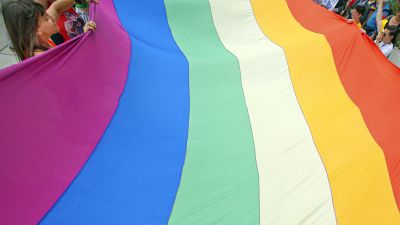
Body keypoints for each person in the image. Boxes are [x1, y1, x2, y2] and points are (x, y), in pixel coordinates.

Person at [1, 0, 96, 60]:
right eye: (46, 19)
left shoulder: (40, 39)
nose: (53, 19)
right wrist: (84, 37)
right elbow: (71, 66)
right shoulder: (41, 57)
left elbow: (56, 7)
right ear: (37, 29)